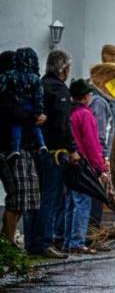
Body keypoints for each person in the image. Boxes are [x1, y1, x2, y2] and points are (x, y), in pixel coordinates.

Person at [25, 49, 78, 259]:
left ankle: (31, 242)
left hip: (33, 149)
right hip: (53, 153)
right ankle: (44, 242)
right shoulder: (60, 91)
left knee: (33, 198)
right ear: (63, 68)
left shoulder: (39, 85)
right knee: (50, 198)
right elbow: (63, 126)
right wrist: (72, 149)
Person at [0, 50, 43, 246]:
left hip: (19, 147)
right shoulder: (7, 89)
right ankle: (7, 244)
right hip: (10, 150)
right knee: (17, 199)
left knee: (20, 200)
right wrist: (35, 117)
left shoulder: (13, 86)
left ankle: (7, 242)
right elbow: (12, 112)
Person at [64, 79, 107, 255]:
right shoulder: (85, 115)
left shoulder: (69, 113)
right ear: (85, 96)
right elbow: (92, 144)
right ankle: (77, 242)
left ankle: (67, 240)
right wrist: (101, 168)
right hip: (83, 164)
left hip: (69, 162)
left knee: (70, 203)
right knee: (83, 203)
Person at [1, 47, 47, 156]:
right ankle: (41, 144)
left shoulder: (9, 83)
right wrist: (37, 115)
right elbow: (15, 114)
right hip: (13, 148)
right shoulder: (32, 79)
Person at [86, 83, 115, 231]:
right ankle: (92, 233)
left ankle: (89, 233)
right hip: (97, 157)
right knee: (97, 195)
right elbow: (100, 133)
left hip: (92, 156)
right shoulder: (99, 102)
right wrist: (103, 158)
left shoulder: (95, 101)